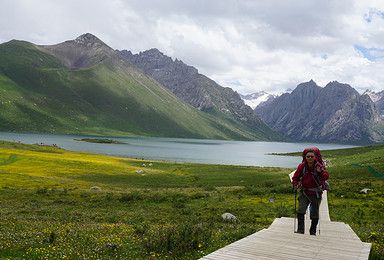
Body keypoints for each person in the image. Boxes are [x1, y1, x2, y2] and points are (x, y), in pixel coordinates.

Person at [292, 148, 329, 235]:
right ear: (305, 157)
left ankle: (313, 231)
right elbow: (296, 177)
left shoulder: (319, 166)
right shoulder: (302, 166)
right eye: (308, 156)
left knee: (315, 213)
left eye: (312, 156)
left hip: (315, 193)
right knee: (301, 210)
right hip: (304, 192)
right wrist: (295, 184)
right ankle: (300, 230)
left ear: (315, 157)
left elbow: (326, 176)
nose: (310, 158)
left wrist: (320, 173)